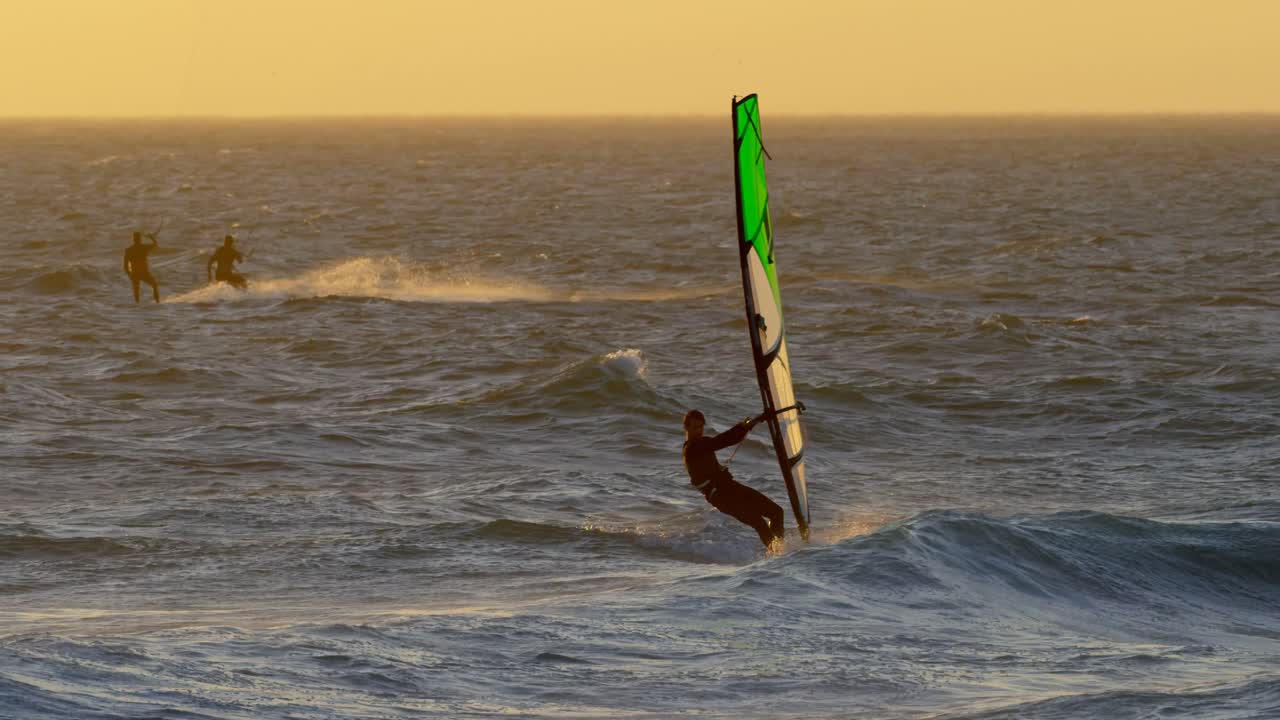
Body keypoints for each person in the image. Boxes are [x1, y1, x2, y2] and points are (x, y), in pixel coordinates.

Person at [682, 409, 785, 549]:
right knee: (758, 522)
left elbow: (726, 439)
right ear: (686, 427)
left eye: (701, 427)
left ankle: (781, 551)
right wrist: (746, 425)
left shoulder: (703, 443)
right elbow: (723, 440)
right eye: (695, 427)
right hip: (721, 497)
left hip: (731, 488)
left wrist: (752, 423)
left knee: (777, 512)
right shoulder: (691, 449)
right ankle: (777, 552)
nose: (699, 431)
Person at [123, 231, 160, 303]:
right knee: (154, 285)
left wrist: (129, 275)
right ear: (140, 239)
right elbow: (155, 244)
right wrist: (152, 238)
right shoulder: (143, 247)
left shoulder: (129, 250)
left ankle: (138, 307)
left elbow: (125, 266)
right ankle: (157, 302)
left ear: (133, 239)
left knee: (136, 292)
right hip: (144, 273)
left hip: (135, 274)